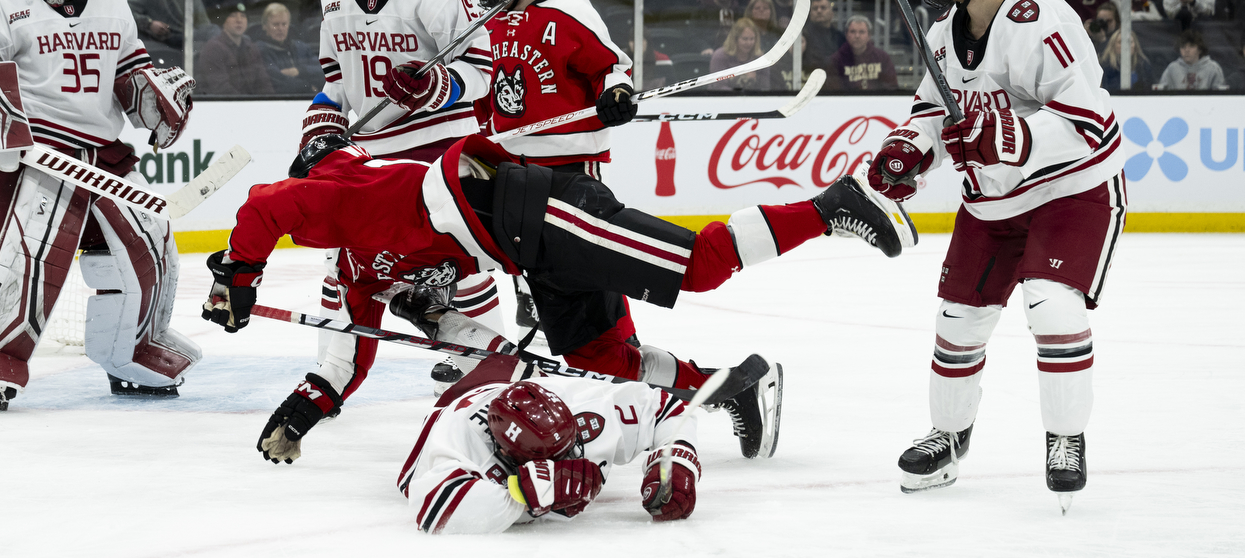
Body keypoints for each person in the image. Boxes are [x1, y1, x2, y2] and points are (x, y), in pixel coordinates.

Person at [202, 126, 912, 466]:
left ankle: (830, 206)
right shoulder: (358, 268)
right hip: (527, 255)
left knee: (696, 265)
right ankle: (732, 386)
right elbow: (346, 356)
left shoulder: (344, 187)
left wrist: (237, 274)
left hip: (538, 212)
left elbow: (266, 206)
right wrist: (302, 412)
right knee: (601, 358)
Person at [865, 0, 1124, 508]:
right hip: (992, 202)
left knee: (1052, 307)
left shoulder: (1042, 20)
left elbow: (1090, 123)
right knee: (957, 321)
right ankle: (948, 439)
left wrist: (1017, 137)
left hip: (1072, 191)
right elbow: (933, 111)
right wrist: (908, 150)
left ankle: (1066, 440)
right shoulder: (942, 33)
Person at [0, 0, 199, 410]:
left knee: (152, 244)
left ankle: (131, 351)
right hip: (40, 154)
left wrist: (155, 101)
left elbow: (129, 69)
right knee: (29, 259)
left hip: (106, 155)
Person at [468, 0, 720, 406]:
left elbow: (613, 67)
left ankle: (652, 374)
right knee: (581, 289)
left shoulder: (568, 10)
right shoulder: (489, 23)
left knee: (597, 276)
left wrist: (615, 95)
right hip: (513, 177)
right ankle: (647, 373)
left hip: (569, 173)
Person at [300, 0, 499, 392]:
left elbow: (481, 70)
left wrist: (436, 86)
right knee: (340, 254)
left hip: (440, 143)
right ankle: (333, 362)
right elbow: (335, 83)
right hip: (372, 149)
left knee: (459, 255)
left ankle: (483, 361)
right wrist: (321, 127)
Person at [397, 353, 704, 532]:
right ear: (506, 453)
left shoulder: (588, 407)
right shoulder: (460, 443)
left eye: (569, 446)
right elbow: (432, 508)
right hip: (453, 409)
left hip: (507, 378)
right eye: (557, 457)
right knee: (408, 482)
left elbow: (667, 407)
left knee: (509, 362)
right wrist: (525, 494)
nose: (572, 457)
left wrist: (675, 459)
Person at [198, 2, 274, 95]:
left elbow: (264, 84)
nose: (239, 20)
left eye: (243, 16)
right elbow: (222, 89)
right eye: (233, 16)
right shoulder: (213, 48)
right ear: (224, 21)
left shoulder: (251, 48)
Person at [255, 1, 320, 95]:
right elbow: (276, 80)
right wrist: (308, 87)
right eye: (275, 24)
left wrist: (299, 71)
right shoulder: (259, 50)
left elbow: (322, 70)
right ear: (265, 26)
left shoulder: (301, 47)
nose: (280, 28)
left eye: (284, 24)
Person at [824, 16, 897, 91]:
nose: (857, 36)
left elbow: (891, 87)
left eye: (861, 32)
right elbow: (834, 91)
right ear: (846, 35)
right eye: (853, 32)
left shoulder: (882, 58)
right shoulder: (835, 60)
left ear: (869, 36)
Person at [709, 18, 770, 91]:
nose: (749, 43)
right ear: (735, 39)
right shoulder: (720, 56)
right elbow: (719, 88)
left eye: (752, 39)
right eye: (745, 39)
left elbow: (765, 88)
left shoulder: (760, 59)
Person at [1155, 29, 1227, 90]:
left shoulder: (1213, 68)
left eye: (1191, 46)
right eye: (1183, 47)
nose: (1187, 50)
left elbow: (1221, 96)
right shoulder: (1172, 68)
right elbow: (1160, 93)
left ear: (1200, 49)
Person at [802, 0, 844, 74]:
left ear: (832, 13)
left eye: (823, 8)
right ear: (810, 14)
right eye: (815, 8)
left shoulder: (840, 36)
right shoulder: (804, 36)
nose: (819, 11)